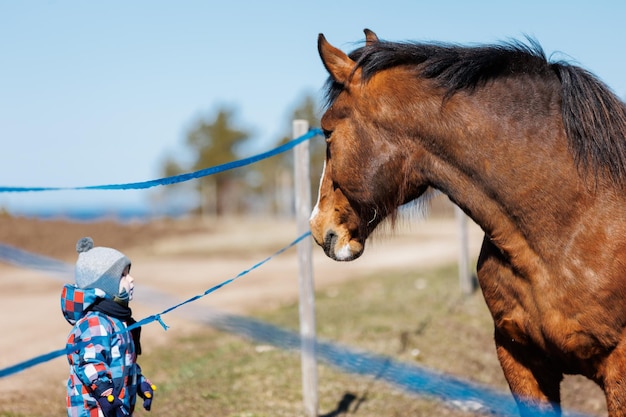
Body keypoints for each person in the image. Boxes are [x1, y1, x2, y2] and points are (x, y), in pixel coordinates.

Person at [61, 237, 156, 417]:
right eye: (123, 275)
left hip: (116, 405)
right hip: (94, 408)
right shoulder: (96, 322)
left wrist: (138, 381)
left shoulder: (119, 320)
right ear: (105, 285)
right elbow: (89, 362)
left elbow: (121, 362)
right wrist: (104, 391)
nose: (131, 279)